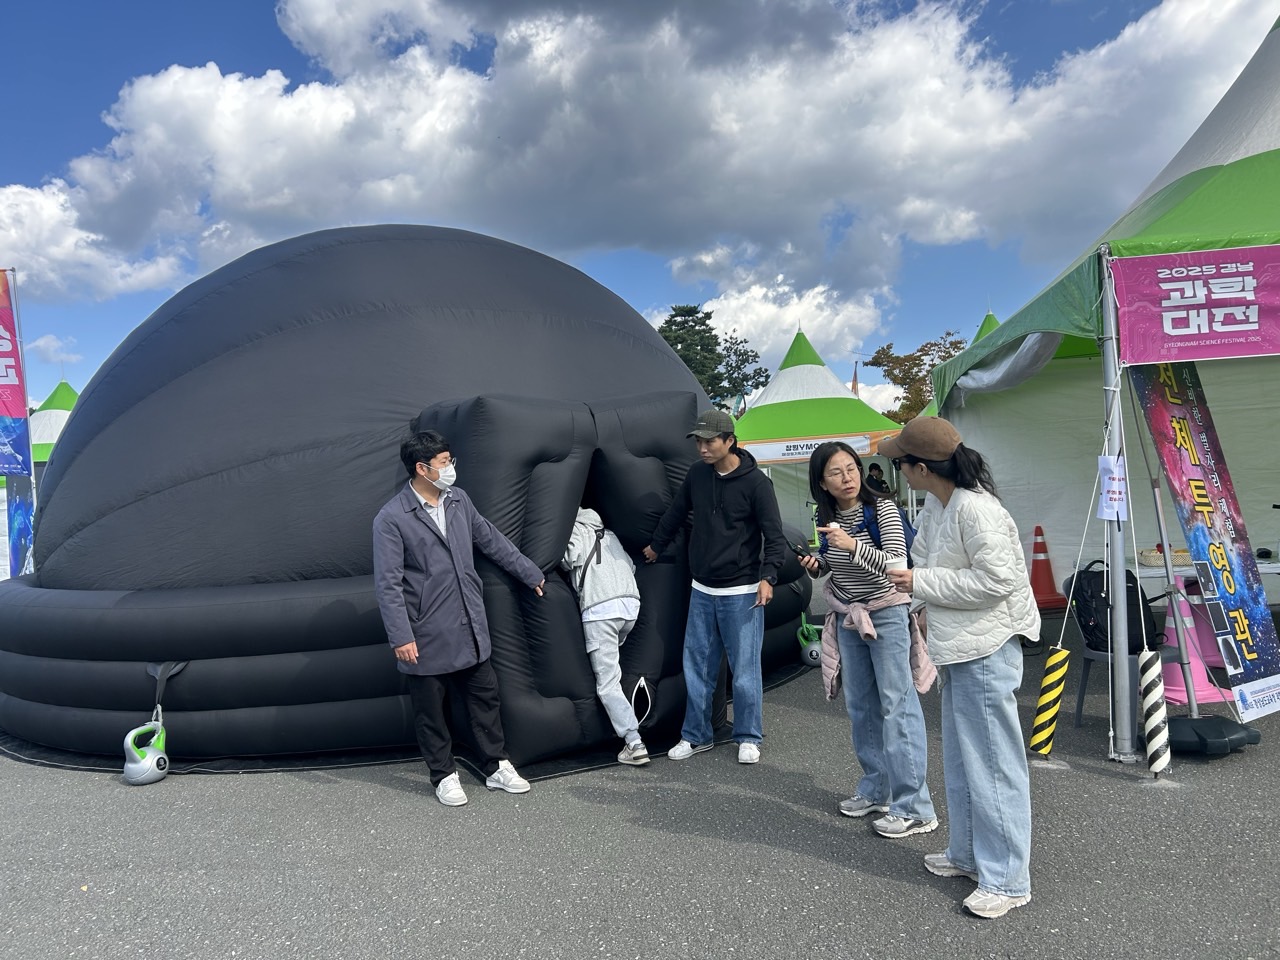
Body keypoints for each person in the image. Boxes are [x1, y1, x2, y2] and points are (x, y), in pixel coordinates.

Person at [880, 416, 1039, 920]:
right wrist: (920, 595)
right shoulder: (937, 502)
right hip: (961, 646)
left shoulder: (977, 510)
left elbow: (997, 581)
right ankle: (969, 855)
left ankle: (1008, 879)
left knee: (994, 764)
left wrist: (921, 585)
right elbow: (923, 560)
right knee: (964, 758)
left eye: (901, 462)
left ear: (921, 467)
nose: (898, 469)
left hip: (988, 647)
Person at [373, 430, 546, 807]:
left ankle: (496, 764)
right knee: (431, 710)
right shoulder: (391, 518)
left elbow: (491, 539)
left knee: (486, 698)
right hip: (424, 629)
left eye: (449, 460)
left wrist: (529, 572)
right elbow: (388, 584)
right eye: (444, 462)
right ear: (422, 469)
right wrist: (401, 636)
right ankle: (444, 774)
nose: (451, 468)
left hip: (469, 620)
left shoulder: (459, 500)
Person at [797, 442, 937, 839]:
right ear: (821, 483)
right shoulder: (827, 519)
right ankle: (877, 788)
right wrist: (817, 563)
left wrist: (851, 545)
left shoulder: (884, 509)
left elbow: (896, 562)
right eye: (836, 472)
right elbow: (832, 563)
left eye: (852, 468)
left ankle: (915, 806)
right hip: (847, 617)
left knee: (897, 704)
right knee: (861, 706)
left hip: (887, 612)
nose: (847, 478)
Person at [642, 408, 786, 765]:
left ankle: (749, 735)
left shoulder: (757, 484)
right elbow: (676, 513)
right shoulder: (696, 475)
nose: (703, 448)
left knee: (745, 670)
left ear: (729, 442)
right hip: (702, 589)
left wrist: (768, 577)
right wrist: (656, 545)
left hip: (743, 592)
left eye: (710, 441)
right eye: (699, 442)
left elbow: (775, 536)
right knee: (697, 667)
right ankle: (696, 735)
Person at [561, 507, 650, 765]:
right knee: (614, 668)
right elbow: (630, 566)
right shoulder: (609, 533)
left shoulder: (576, 529)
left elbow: (569, 558)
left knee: (607, 680)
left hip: (601, 609)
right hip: (630, 607)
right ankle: (625, 726)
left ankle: (634, 742)